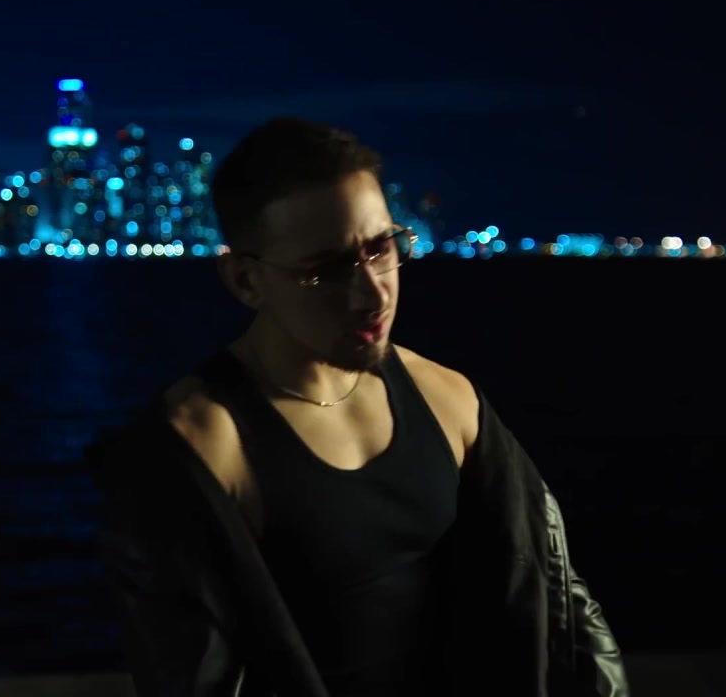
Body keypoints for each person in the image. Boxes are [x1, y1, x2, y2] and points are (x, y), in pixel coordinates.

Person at [87, 117, 628, 696]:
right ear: (245, 280)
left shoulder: (446, 399)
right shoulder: (202, 447)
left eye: (380, 248)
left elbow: (560, 604)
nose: (372, 292)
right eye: (324, 270)